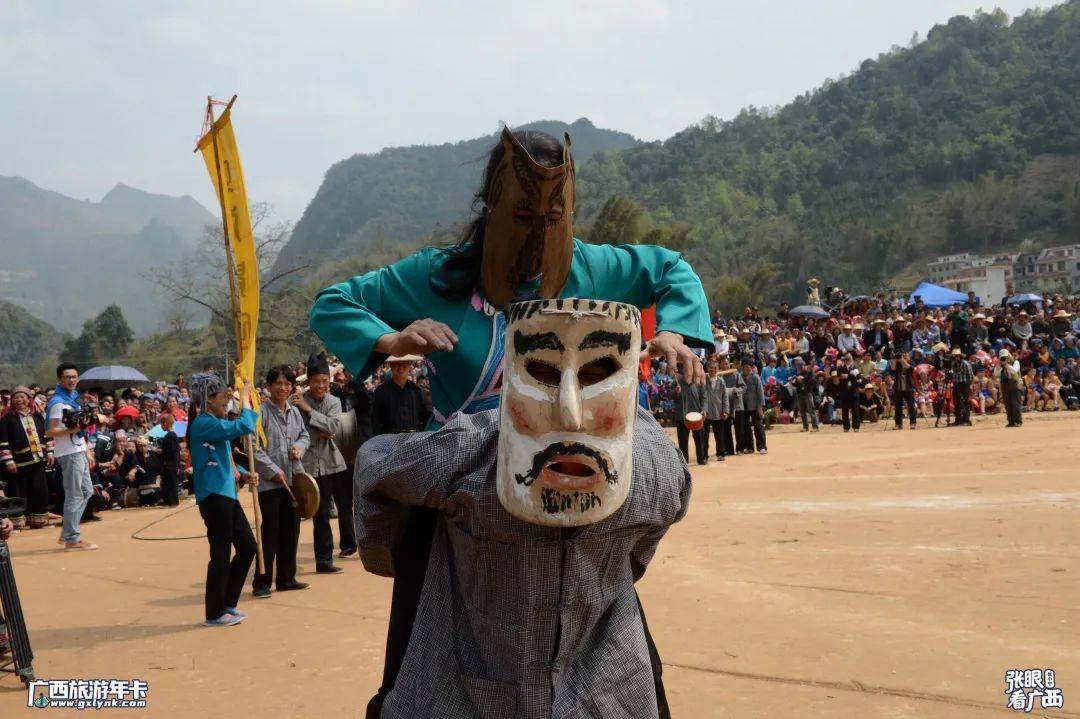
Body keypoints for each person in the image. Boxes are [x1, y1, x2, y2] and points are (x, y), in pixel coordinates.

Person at [313, 128, 710, 718]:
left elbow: (672, 271)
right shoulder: (438, 274)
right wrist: (392, 337)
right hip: (459, 498)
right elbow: (333, 302)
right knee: (413, 658)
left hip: (572, 491)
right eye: (524, 213)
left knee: (630, 662)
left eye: (555, 214)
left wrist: (674, 329)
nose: (539, 231)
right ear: (492, 206)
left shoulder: (592, 267)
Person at [354, 298, 690, 718]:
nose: (568, 411)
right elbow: (643, 549)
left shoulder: (466, 452)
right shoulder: (658, 461)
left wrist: (406, 562)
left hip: (587, 691)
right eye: (544, 372)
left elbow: (374, 471)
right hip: (571, 691)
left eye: (596, 374)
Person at [187, 372, 259, 627]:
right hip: (214, 496)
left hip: (226, 492)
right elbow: (243, 426)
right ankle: (214, 612)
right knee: (220, 553)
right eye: (223, 397)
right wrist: (247, 400)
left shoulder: (212, 422)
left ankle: (227, 604)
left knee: (248, 546)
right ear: (209, 400)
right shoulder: (204, 423)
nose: (227, 401)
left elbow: (225, 457)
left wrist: (242, 475)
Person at [251, 365, 310, 598]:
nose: (283, 388)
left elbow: (304, 435)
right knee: (270, 532)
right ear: (269, 387)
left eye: (287, 384)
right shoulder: (259, 413)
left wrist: (300, 447)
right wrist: (273, 470)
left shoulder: (295, 412)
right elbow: (253, 447)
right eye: (279, 383)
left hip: (294, 480)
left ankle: (286, 578)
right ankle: (262, 583)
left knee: (291, 531)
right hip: (270, 484)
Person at [294, 353, 354, 574]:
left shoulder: (333, 402)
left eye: (324, 381)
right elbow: (301, 433)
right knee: (319, 515)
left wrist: (310, 413)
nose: (321, 385)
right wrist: (323, 426)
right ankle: (324, 559)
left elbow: (333, 428)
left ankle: (348, 544)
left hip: (333, 462)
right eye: (316, 381)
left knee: (344, 506)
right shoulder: (296, 403)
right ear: (309, 382)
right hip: (309, 465)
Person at [45, 363, 97, 550]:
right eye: (67, 377)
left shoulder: (73, 398)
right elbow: (50, 430)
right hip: (68, 453)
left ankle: (68, 533)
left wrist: (86, 450)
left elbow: (80, 428)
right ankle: (72, 538)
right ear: (60, 379)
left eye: (74, 376)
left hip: (78, 450)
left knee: (86, 491)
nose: (72, 380)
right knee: (75, 495)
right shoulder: (58, 401)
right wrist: (72, 429)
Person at [0, 386, 54, 528]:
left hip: (37, 458)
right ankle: (17, 521)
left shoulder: (37, 415)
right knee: (18, 491)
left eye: (22, 397)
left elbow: (47, 435)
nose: (19, 400)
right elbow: (3, 442)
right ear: (12, 401)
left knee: (39, 489)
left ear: (29, 399)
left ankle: (38, 519)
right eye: (16, 398)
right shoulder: (7, 419)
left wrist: (49, 452)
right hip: (18, 463)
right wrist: (8, 461)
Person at [371, 357, 430, 436]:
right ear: (391, 365)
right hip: (389, 440)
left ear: (409, 365)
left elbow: (424, 416)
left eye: (404, 363)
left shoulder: (416, 390)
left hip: (413, 438)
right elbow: (375, 420)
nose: (401, 367)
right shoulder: (381, 391)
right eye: (396, 363)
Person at [675, 370, 707, 465]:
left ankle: (701, 458)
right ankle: (684, 461)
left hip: (697, 414)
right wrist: (677, 392)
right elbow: (668, 396)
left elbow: (704, 397)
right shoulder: (677, 382)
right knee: (683, 440)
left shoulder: (699, 382)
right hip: (682, 416)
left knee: (700, 438)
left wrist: (704, 409)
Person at [702, 360, 729, 461]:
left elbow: (725, 397)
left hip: (718, 411)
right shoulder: (704, 379)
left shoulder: (721, 381)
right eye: (711, 368)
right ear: (707, 368)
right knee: (704, 436)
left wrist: (726, 411)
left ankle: (721, 453)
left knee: (719, 435)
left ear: (717, 369)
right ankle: (704, 455)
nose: (713, 370)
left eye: (715, 368)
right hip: (706, 412)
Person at [740, 357, 766, 454]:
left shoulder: (755, 377)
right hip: (744, 406)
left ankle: (762, 447)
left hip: (755, 406)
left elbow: (760, 393)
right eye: (744, 367)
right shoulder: (739, 377)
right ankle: (750, 447)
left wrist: (760, 407)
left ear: (751, 368)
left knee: (758, 427)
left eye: (748, 367)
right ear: (742, 367)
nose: (746, 369)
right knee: (746, 428)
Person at [158, 412, 181, 506]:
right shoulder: (173, 435)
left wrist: (161, 451)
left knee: (170, 483)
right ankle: (172, 501)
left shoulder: (170, 436)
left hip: (170, 464)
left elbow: (170, 451)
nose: (161, 426)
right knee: (170, 482)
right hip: (173, 463)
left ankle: (171, 501)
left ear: (165, 423)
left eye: (161, 424)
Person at [997, 349, 1024, 427]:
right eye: (1002, 357)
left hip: (1016, 385)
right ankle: (1011, 422)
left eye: (1005, 356)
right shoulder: (1001, 365)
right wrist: (998, 365)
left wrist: (1007, 365)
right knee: (1008, 404)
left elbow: (1014, 371)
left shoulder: (1015, 362)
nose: (1004, 358)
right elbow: (996, 374)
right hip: (1005, 385)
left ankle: (1018, 421)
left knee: (1016, 404)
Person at [891, 352, 917, 430]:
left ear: (908, 356)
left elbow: (910, 368)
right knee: (898, 407)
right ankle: (898, 424)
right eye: (903, 355)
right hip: (898, 388)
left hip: (908, 388)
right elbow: (893, 368)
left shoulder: (911, 362)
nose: (904, 356)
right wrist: (895, 359)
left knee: (911, 406)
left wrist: (902, 360)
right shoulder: (898, 363)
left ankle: (913, 423)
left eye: (906, 355)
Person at [950, 348, 974, 426]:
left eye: (957, 356)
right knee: (957, 402)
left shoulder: (965, 363)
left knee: (965, 402)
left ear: (960, 356)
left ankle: (966, 420)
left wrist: (968, 385)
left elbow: (970, 376)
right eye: (955, 356)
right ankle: (958, 420)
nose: (956, 357)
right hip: (956, 384)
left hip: (964, 384)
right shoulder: (953, 363)